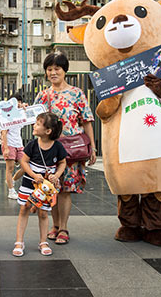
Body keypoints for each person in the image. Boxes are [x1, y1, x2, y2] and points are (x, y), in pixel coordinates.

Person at [34, 52, 96, 245]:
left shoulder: (77, 93)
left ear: (64, 71)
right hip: (49, 150)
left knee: (66, 190)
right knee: (51, 188)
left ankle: (64, 228)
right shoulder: (43, 95)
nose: (53, 72)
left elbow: (86, 121)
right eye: (49, 69)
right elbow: (34, 121)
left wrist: (93, 147)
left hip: (71, 151)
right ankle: (54, 226)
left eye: (57, 68)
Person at [13, 113, 67, 257]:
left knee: (43, 213)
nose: (34, 126)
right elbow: (24, 161)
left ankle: (43, 242)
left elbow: (62, 162)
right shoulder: (32, 145)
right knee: (24, 208)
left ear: (48, 131)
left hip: (46, 188)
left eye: (37, 124)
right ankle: (19, 242)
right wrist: (33, 175)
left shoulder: (57, 146)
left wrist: (57, 175)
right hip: (29, 184)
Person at [0, 91, 25, 200]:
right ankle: (11, 191)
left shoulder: (20, 114)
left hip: (19, 144)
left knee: (25, 167)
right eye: (16, 101)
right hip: (9, 144)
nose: (18, 103)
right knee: (9, 168)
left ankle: (12, 180)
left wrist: (25, 109)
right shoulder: (6, 115)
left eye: (19, 101)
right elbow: (3, 132)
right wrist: (6, 148)